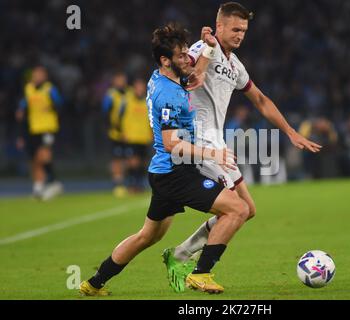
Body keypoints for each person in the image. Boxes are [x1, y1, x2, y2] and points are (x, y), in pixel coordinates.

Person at [162, 2, 322, 292]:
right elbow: (188, 79)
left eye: (244, 30)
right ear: (219, 26)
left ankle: (180, 254)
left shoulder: (235, 65)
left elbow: (260, 99)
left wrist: (290, 132)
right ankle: (201, 271)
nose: (240, 35)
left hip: (217, 141)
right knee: (236, 210)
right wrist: (208, 50)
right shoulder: (200, 49)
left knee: (247, 209)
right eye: (235, 29)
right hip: (199, 139)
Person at [79, 23, 247, 296]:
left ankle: (94, 283)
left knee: (147, 236)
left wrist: (209, 46)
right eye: (181, 55)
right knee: (237, 209)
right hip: (175, 172)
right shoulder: (167, 94)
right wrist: (212, 153)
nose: (186, 59)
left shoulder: (164, 77)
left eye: (185, 53)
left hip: (164, 172)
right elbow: (171, 144)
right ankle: (201, 273)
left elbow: (194, 74)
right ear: (165, 60)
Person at [16, 65, 64, 200]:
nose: (37, 77)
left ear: (45, 76)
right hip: (32, 128)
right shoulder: (28, 89)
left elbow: (61, 105)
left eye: (40, 74)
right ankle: (38, 187)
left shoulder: (50, 89)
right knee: (34, 160)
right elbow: (23, 107)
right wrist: (20, 114)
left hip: (48, 127)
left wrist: (51, 107)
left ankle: (53, 182)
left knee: (43, 154)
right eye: (35, 74)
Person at [120, 78, 154, 192]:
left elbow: (151, 120)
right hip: (131, 137)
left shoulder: (147, 101)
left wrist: (151, 133)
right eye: (138, 87)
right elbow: (119, 117)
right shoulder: (127, 100)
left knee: (143, 163)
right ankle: (131, 184)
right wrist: (122, 132)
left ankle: (139, 184)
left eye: (142, 87)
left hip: (144, 137)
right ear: (134, 88)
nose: (140, 89)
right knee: (133, 162)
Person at [102, 72, 129, 197]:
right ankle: (118, 183)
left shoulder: (130, 93)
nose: (121, 82)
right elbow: (105, 113)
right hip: (116, 134)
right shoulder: (111, 95)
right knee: (117, 159)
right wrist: (111, 128)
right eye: (118, 79)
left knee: (128, 159)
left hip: (130, 133)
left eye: (122, 79)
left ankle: (125, 181)